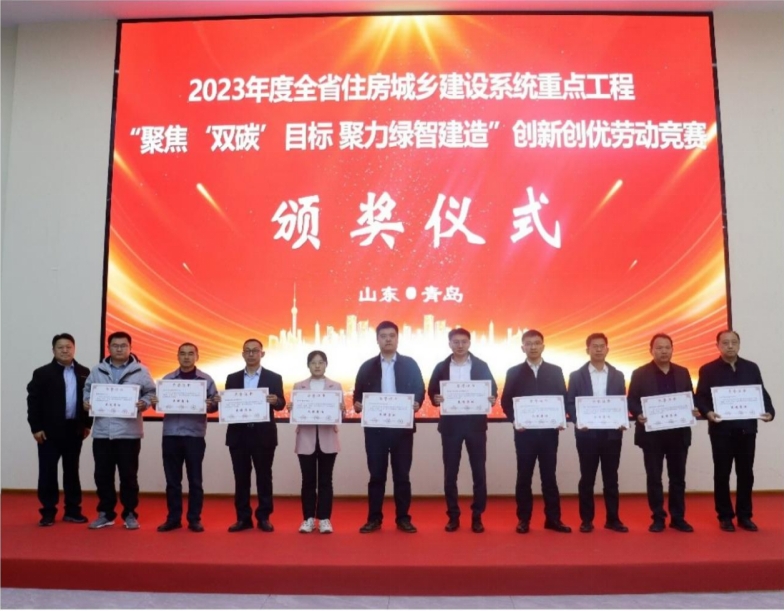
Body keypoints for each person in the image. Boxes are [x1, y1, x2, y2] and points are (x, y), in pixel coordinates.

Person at [695, 330, 775, 532]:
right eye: (725, 342)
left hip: (747, 430)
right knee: (722, 474)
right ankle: (724, 516)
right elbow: (700, 397)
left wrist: (770, 412)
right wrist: (708, 413)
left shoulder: (751, 367)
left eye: (734, 342)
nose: (730, 346)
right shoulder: (708, 370)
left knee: (746, 474)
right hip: (721, 431)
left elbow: (761, 393)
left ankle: (745, 516)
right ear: (717, 345)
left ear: (739, 344)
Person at [353, 321, 425, 534]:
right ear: (377, 339)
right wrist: (357, 404)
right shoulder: (367, 367)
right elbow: (358, 395)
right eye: (383, 336)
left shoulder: (410, 364)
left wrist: (417, 402)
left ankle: (403, 518)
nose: (388, 339)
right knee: (376, 476)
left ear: (397, 338)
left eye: (391, 336)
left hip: (402, 431)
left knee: (402, 476)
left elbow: (420, 389)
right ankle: (374, 518)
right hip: (375, 432)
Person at [83, 331, 156, 530]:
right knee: (102, 475)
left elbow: (151, 392)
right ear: (108, 348)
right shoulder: (97, 370)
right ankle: (106, 514)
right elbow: (87, 390)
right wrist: (87, 401)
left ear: (130, 348)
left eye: (123, 345)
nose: (119, 349)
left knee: (128, 476)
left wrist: (144, 402)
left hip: (129, 433)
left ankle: (130, 513)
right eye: (115, 345)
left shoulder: (141, 370)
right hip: (102, 433)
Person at [501, 329, 571, 534]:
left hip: (549, 434)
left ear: (543, 346)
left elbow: (563, 398)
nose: (533, 347)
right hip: (524, 435)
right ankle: (524, 519)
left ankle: (553, 519)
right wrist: (516, 420)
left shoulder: (555, 371)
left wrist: (561, 418)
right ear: (522, 347)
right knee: (524, 477)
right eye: (528, 343)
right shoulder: (513, 372)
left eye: (537, 343)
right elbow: (506, 402)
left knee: (549, 477)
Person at [427, 328, 497, 533]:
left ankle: (477, 516)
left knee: (479, 473)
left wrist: (491, 397)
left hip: (476, 426)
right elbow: (432, 391)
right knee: (450, 473)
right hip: (450, 426)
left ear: (469, 343)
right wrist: (436, 399)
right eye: (456, 342)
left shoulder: (481, 365)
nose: (460, 345)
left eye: (464, 341)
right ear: (449, 344)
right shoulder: (441, 367)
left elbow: (492, 389)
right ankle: (453, 516)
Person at [628, 333, 698, 533]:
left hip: (678, 434)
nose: (664, 351)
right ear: (651, 350)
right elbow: (631, 400)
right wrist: (638, 414)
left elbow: (690, 397)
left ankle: (678, 518)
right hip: (652, 435)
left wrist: (692, 408)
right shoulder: (640, 373)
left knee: (678, 478)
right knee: (654, 478)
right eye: (659, 348)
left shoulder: (683, 372)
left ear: (672, 349)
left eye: (667, 347)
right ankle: (658, 517)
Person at [151, 343, 219, 533]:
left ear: (197, 356)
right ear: (177, 356)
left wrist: (211, 404)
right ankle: (173, 518)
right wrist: (156, 403)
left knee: (195, 480)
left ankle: (194, 519)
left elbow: (214, 405)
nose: (186, 357)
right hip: (171, 435)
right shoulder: (167, 380)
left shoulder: (206, 380)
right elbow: (158, 406)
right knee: (172, 481)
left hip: (194, 435)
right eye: (182, 354)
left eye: (190, 354)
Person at [26, 333, 92, 526]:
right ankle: (48, 512)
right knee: (47, 472)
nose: (65, 350)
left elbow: (90, 400)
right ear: (53, 350)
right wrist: (36, 428)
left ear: (74, 349)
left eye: (68, 347)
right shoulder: (42, 373)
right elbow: (33, 402)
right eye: (60, 347)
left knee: (72, 472)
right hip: (48, 432)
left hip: (74, 430)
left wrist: (87, 424)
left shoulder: (84, 372)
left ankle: (73, 510)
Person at [565, 333, 629, 533]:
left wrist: (622, 419)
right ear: (588, 350)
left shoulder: (618, 375)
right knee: (587, 478)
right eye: (595, 346)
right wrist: (578, 420)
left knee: (611, 479)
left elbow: (621, 402)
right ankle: (586, 520)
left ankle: (613, 519)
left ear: (607, 349)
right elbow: (570, 403)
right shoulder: (576, 376)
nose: (599, 349)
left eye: (602, 346)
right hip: (587, 435)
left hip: (612, 435)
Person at [224, 338, 286, 533]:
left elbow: (281, 403)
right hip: (238, 435)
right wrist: (220, 401)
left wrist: (276, 401)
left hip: (263, 435)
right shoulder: (232, 378)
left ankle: (264, 517)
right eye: (247, 351)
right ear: (243, 354)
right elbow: (228, 404)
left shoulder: (274, 377)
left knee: (264, 477)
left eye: (255, 351)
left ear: (262, 354)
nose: (251, 354)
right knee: (241, 478)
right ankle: (243, 518)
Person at [290, 350, 344, 534]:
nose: (317, 366)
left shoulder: (335, 386)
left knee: (326, 480)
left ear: (326, 364)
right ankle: (308, 519)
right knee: (308, 481)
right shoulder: (299, 387)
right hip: (305, 439)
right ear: (308, 365)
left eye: (321, 362)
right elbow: (296, 414)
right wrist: (292, 408)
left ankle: (325, 519)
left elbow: (341, 415)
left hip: (328, 438)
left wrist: (341, 409)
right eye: (313, 362)